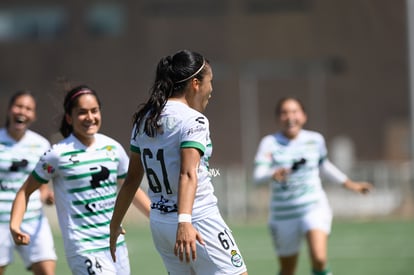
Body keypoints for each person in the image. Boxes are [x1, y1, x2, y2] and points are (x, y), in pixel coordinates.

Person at [109, 49, 248, 275]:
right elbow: (188, 173)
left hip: (161, 225)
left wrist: (114, 224)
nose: (211, 90)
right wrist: (185, 222)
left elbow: (132, 178)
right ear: (195, 83)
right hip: (197, 220)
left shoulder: (145, 118)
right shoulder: (193, 120)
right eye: (210, 82)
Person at [10, 85, 151, 275]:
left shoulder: (112, 148)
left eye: (94, 111)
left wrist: (155, 217)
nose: (90, 117)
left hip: (115, 243)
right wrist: (15, 225)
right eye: (82, 112)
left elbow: (130, 188)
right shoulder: (57, 154)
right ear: (69, 117)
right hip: (83, 248)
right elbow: (25, 191)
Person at [253, 97, 373, 275]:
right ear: (278, 118)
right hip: (283, 215)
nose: (290, 117)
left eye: (295, 111)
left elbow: (324, 166)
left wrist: (351, 184)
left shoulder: (315, 140)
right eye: (285, 113)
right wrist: (273, 174)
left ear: (304, 116)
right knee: (287, 270)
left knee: (319, 258)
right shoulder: (269, 143)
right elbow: (257, 177)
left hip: (313, 207)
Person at [0, 90, 57, 275]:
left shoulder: (41, 145)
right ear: (9, 110)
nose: (22, 111)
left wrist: (46, 195)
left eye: (28, 108)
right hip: (0, 220)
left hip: (32, 219)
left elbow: (41, 184)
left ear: (33, 115)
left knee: (47, 271)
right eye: (18, 106)